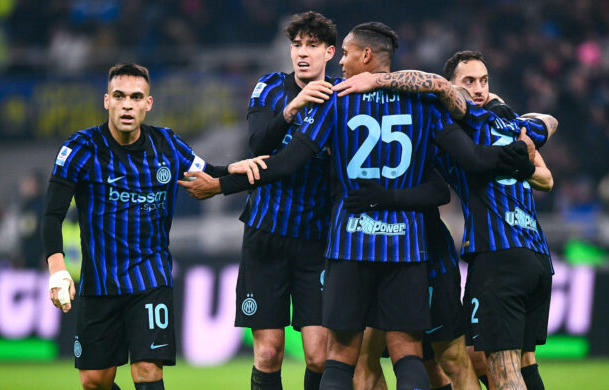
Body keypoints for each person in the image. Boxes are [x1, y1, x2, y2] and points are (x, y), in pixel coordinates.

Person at [179, 23, 535, 390]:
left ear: (366, 55)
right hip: (405, 248)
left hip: (349, 245)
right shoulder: (425, 103)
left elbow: (285, 163)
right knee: (408, 352)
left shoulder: (337, 99)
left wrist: (222, 182)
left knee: (340, 357)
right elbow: (473, 160)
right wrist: (519, 154)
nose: (343, 62)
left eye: (346, 53)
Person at [335, 50, 558, 390]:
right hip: (536, 255)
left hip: (496, 255)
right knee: (508, 360)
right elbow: (549, 130)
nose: (479, 89)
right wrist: (505, 111)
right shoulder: (511, 124)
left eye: (484, 81)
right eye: (470, 82)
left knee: (496, 365)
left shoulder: (464, 123)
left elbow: (436, 85)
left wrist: (375, 79)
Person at [41, 63, 265, 390]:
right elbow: (51, 214)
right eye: (119, 96)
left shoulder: (166, 145)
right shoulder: (81, 149)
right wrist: (57, 269)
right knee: (93, 381)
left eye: (136, 97)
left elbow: (207, 173)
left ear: (148, 103)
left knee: (147, 370)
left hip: (150, 279)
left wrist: (234, 169)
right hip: (99, 283)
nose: (127, 104)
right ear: (107, 101)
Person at [238, 11, 337, 390]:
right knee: (268, 352)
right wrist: (292, 109)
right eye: (297, 45)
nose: (302, 53)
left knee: (319, 354)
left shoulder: (341, 96)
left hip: (316, 241)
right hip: (265, 235)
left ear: (329, 52)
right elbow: (257, 144)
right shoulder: (269, 88)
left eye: (313, 45)